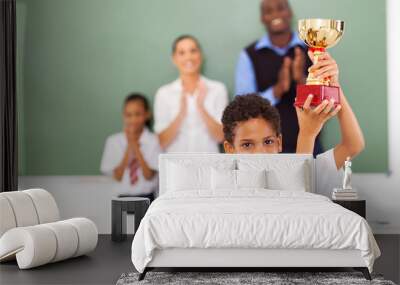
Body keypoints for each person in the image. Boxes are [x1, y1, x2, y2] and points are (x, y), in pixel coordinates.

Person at [223, 52, 365, 196]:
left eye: (268, 141)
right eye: (247, 145)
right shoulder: (226, 189)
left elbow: (353, 144)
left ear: (279, 143)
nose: (260, 153)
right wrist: (307, 134)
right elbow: (293, 200)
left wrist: (335, 86)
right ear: (229, 148)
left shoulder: (311, 170)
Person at [235, 0, 322, 155]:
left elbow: (324, 101)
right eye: (268, 11)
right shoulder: (249, 55)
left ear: (289, 13)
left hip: (311, 144)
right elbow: (243, 110)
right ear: (262, 18)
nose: (275, 14)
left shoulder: (313, 49)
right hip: (267, 148)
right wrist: (278, 90)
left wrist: (300, 79)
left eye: (280, 8)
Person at [154, 35, 229, 153]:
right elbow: (162, 142)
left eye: (193, 51)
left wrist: (200, 106)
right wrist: (181, 113)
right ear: (174, 59)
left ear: (201, 55)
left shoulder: (218, 89)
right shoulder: (164, 93)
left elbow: (221, 136)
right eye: (182, 53)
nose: (188, 57)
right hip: (175, 166)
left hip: (208, 165)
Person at [100, 93, 161, 201]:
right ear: (124, 116)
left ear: (147, 114)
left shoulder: (155, 141)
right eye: (128, 115)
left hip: (147, 197)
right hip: (121, 198)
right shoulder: (113, 141)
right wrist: (129, 146)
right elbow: (118, 176)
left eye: (138, 114)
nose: (133, 119)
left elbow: (149, 175)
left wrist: (136, 147)